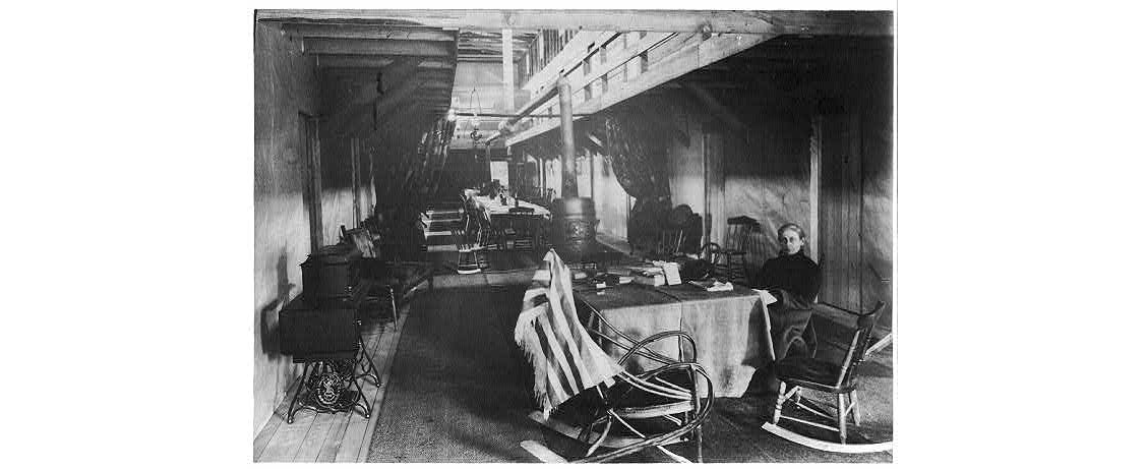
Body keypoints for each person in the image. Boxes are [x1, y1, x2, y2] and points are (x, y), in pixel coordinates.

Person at [751, 223, 822, 394]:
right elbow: (757, 286)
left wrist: (780, 296)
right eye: (783, 240)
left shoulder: (810, 268)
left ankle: (771, 377)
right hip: (768, 307)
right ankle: (749, 370)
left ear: (802, 242)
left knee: (772, 327)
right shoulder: (771, 264)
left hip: (794, 314)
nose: (787, 244)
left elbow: (806, 301)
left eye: (792, 239)